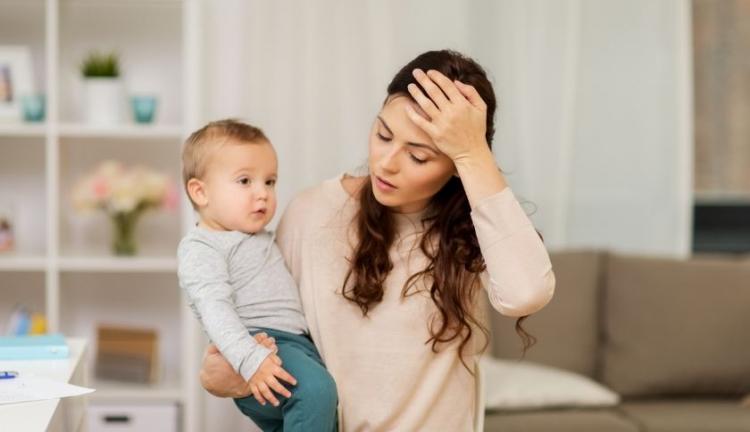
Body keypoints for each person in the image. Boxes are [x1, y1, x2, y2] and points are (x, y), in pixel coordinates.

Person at [199, 50, 556, 431]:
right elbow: (280, 341)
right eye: (383, 134)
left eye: (419, 157)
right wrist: (227, 379)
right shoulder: (312, 212)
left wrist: (473, 153)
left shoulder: (474, 229)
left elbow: (526, 293)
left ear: (455, 166)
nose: (386, 163)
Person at [177, 120, 338, 431]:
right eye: (245, 181)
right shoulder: (201, 247)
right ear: (200, 192)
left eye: (270, 181)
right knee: (317, 392)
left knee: (326, 418)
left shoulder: (259, 236)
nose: (262, 194)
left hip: (296, 346)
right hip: (261, 347)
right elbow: (215, 310)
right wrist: (251, 360)